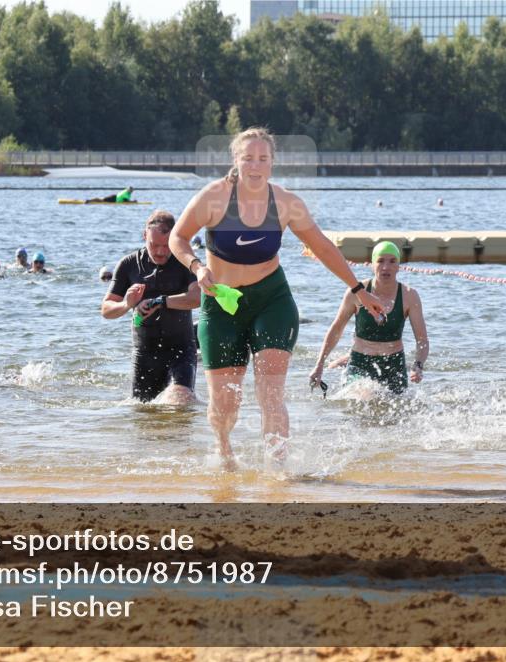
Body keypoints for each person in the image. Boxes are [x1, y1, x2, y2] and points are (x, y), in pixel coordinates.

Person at [169, 127, 386, 468]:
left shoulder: (286, 203)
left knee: (270, 394)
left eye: (263, 159)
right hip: (221, 304)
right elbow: (177, 238)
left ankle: (279, 470)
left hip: (271, 301)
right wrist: (196, 267)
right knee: (225, 404)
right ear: (235, 162)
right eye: (248, 158)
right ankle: (224, 453)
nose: (255, 165)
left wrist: (359, 290)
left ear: (272, 163)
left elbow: (323, 247)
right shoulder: (214, 197)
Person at [102, 210, 201, 403]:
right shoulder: (129, 264)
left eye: (166, 246)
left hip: (180, 350)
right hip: (145, 352)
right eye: (154, 245)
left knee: (180, 399)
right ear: (144, 235)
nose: (161, 252)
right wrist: (127, 304)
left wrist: (160, 301)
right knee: (142, 413)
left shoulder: (184, 261)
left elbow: (197, 298)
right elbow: (106, 309)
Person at [310, 242, 429, 394]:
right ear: (372, 264)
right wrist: (319, 364)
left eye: (392, 261)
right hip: (360, 363)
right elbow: (336, 329)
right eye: (380, 261)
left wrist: (418, 365)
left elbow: (422, 339)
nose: (386, 267)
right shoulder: (356, 293)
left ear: (399, 266)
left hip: (393, 364)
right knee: (362, 396)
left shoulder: (409, 296)